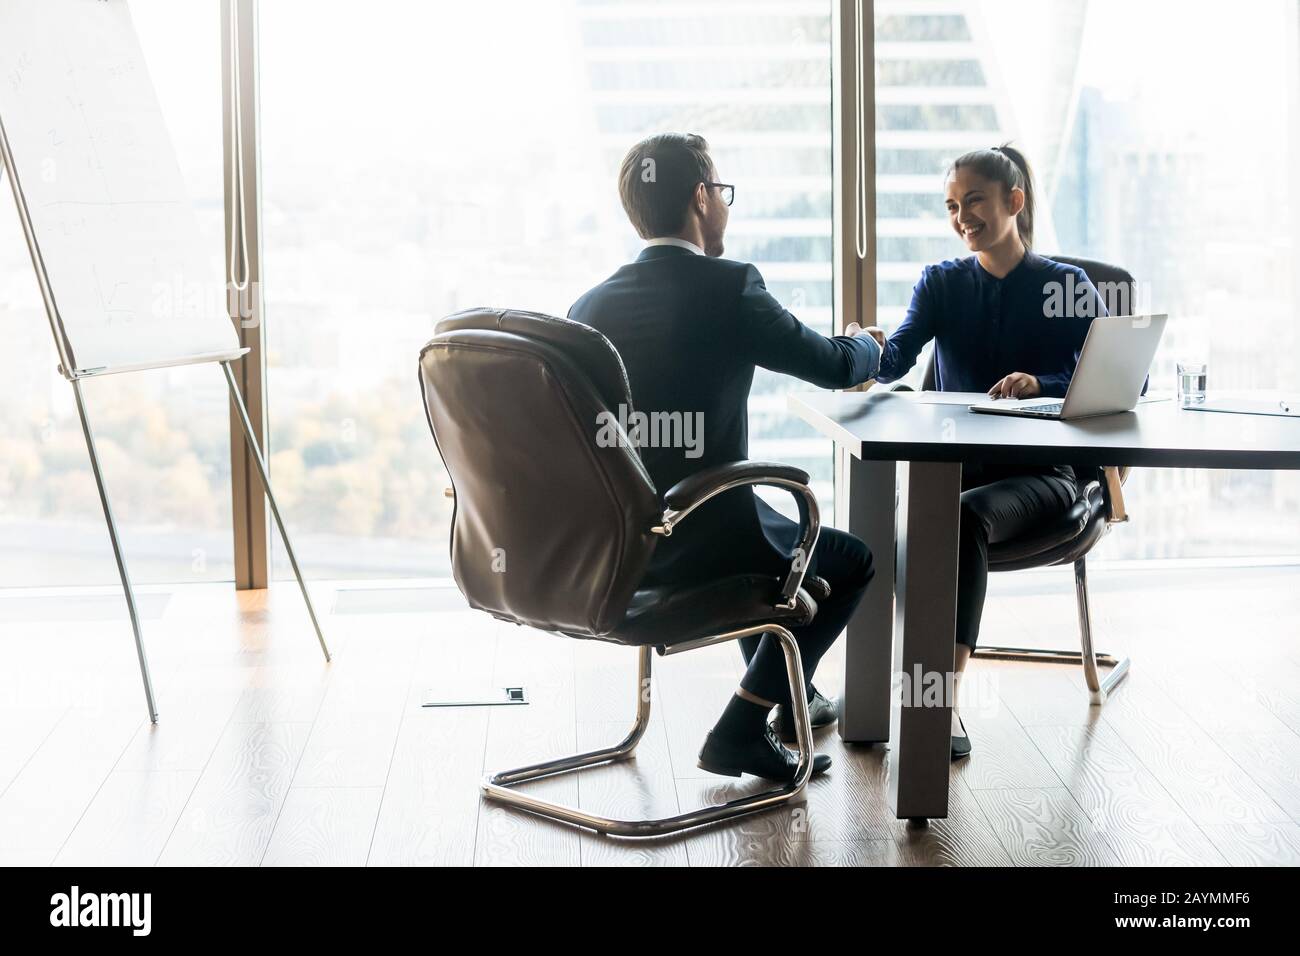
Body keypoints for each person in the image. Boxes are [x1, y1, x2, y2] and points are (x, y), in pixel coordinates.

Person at [569, 133, 880, 782]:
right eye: (722, 193)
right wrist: (867, 346)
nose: (725, 208)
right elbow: (830, 364)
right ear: (701, 198)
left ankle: (796, 699)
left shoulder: (588, 307)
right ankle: (742, 725)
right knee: (847, 562)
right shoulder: (729, 285)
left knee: (761, 535)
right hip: (705, 542)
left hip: (622, 554)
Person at [865, 144, 1106, 759]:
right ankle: (881, 697)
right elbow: (896, 357)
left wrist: (1042, 384)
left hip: (1042, 478)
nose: (961, 216)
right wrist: (863, 350)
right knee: (916, 518)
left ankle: (936, 706)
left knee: (956, 519)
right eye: (952, 205)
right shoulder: (941, 283)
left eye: (973, 200)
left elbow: (1115, 379)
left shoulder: (1066, 286)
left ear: (1014, 202)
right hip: (956, 471)